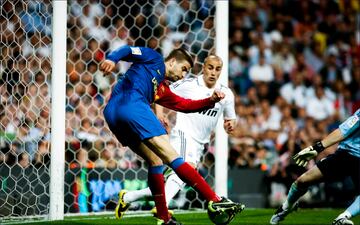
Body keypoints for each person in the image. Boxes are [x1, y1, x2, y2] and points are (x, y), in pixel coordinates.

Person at [100, 46, 242, 225]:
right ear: (172, 61)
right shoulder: (155, 58)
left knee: (155, 161)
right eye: (183, 69)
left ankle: (163, 217)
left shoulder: (160, 89)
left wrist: (210, 101)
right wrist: (112, 59)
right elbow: (128, 50)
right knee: (172, 156)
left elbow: (185, 105)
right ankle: (215, 200)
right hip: (133, 104)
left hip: (112, 114)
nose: (183, 75)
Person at [270, 109, 360, 225]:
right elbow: (343, 131)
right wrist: (317, 148)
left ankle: (342, 218)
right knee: (302, 181)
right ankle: (287, 207)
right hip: (346, 154)